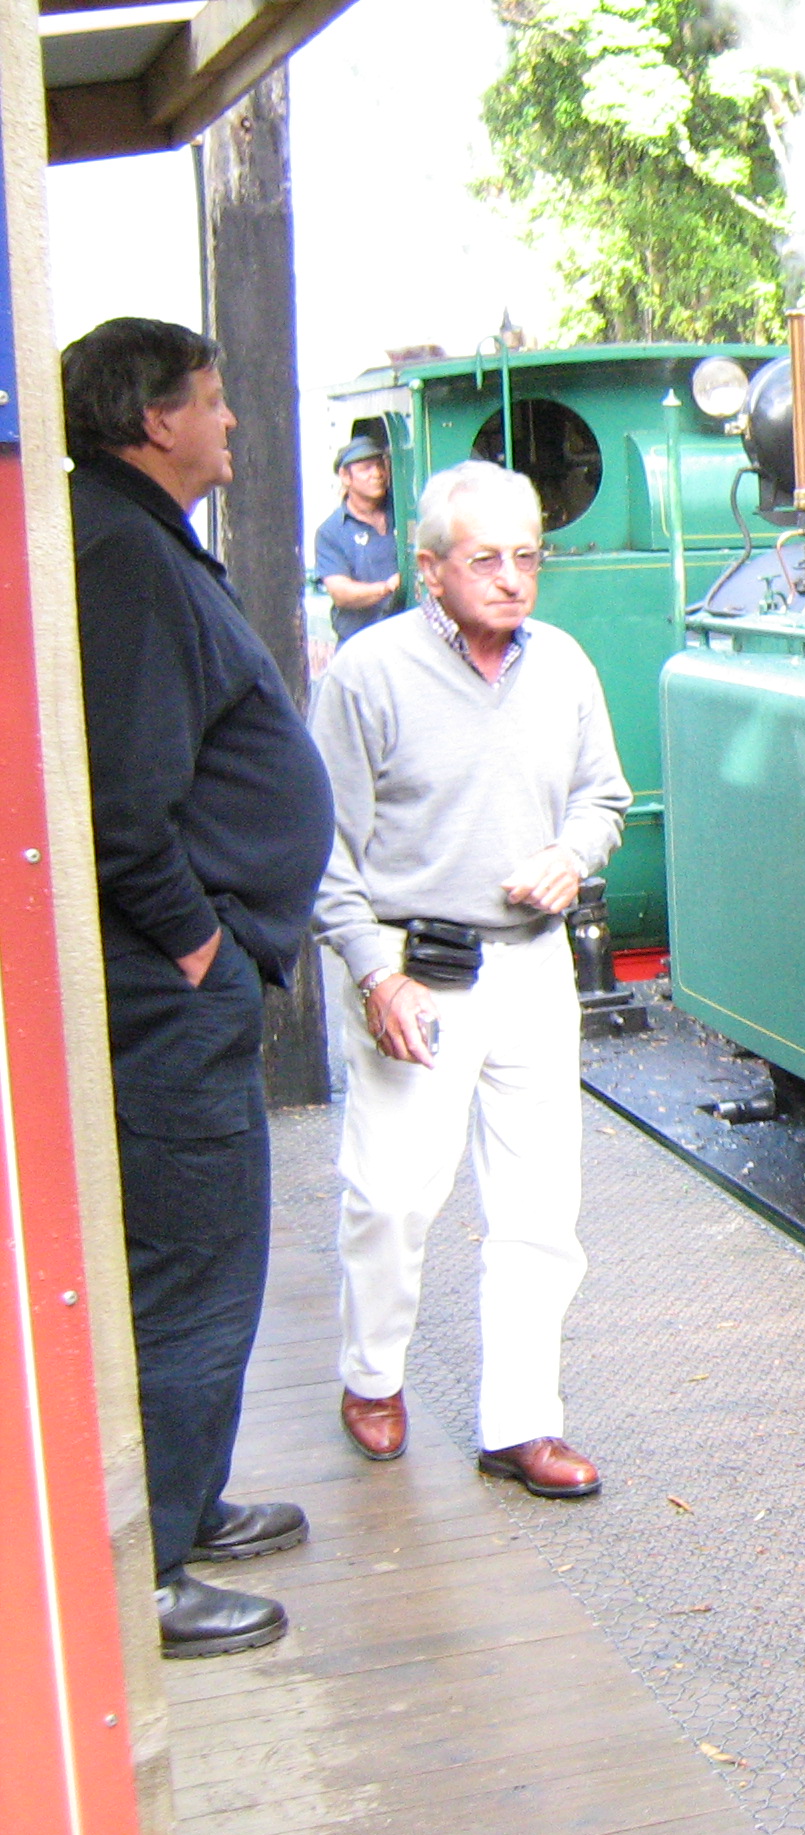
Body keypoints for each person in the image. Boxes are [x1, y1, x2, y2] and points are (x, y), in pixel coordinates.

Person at [63, 318, 336, 1658]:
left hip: (188, 979)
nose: (230, 422)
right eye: (214, 401)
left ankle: (190, 1498)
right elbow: (123, 806)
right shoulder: (124, 557)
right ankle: (154, 1568)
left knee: (207, 1259)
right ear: (155, 420)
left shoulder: (136, 539)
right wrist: (200, 950)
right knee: (194, 1270)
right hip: (173, 989)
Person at [308, 460, 629, 1499]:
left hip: (533, 966)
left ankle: (521, 1425)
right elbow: (323, 849)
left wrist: (573, 855)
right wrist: (375, 975)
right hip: (415, 972)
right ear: (430, 568)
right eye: (486, 558)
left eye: (528, 555)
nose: (512, 578)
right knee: (393, 1199)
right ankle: (372, 1375)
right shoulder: (367, 676)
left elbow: (604, 797)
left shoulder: (564, 665)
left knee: (541, 1212)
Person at [311, 437, 402, 644]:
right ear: (345, 476)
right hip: (359, 642)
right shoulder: (331, 531)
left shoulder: (403, 512)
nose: (377, 474)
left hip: (404, 640)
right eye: (366, 468)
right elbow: (341, 592)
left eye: (380, 466)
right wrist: (387, 588)